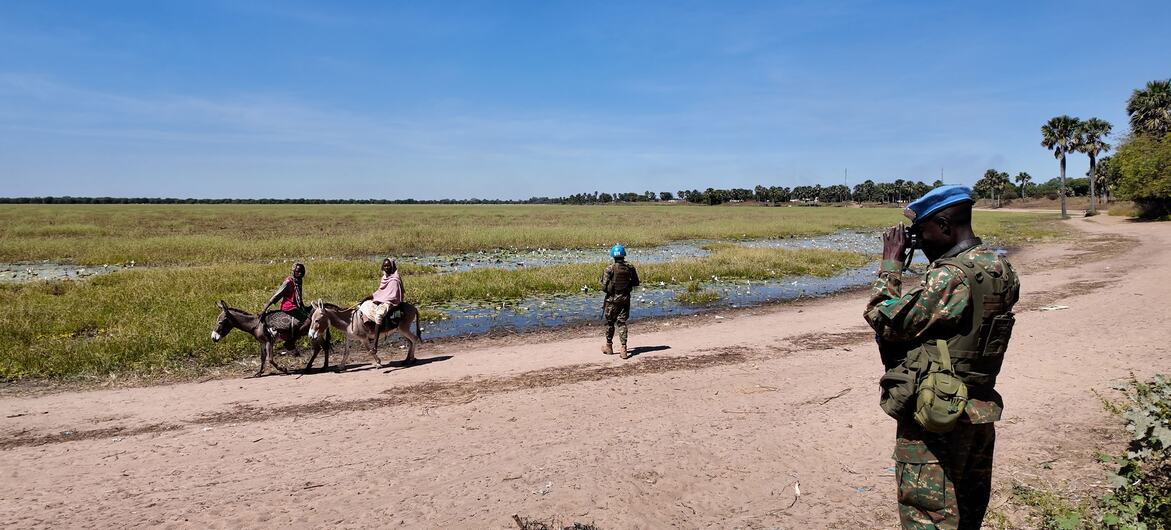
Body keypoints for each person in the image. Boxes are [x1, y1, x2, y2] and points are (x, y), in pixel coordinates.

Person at [864, 185, 1020, 529]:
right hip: (977, 412)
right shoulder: (999, 267)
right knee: (967, 513)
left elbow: (885, 318)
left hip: (937, 414)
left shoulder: (950, 276)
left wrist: (891, 265)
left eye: (922, 232)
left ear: (946, 225)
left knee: (928, 516)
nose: (918, 242)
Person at [600, 243, 640, 359]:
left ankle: (609, 346)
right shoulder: (630, 267)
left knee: (610, 323)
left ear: (613, 255)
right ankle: (623, 348)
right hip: (625, 299)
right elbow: (636, 283)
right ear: (623, 255)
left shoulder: (609, 269)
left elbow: (604, 287)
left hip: (612, 300)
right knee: (622, 323)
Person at [263, 262, 309, 353]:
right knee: (308, 321)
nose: (300, 273)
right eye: (298, 271)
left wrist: (302, 306)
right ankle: (291, 342)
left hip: (296, 306)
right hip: (288, 307)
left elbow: (298, 296)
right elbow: (277, 295)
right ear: (293, 271)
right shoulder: (288, 282)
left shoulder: (298, 280)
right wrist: (265, 308)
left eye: (302, 272)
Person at [359, 258, 404, 344]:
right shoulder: (384, 277)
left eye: (388, 266)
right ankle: (370, 329)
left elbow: (393, 296)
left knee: (379, 315)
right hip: (381, 300)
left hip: (389, 303)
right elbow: (380, 292)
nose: (386, 267)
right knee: (364, 306)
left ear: (392, 266)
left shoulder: (395, 279)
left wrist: (381, 300)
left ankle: (375, 344)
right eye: (385, 266)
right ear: (383, 267)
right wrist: (367, 298)